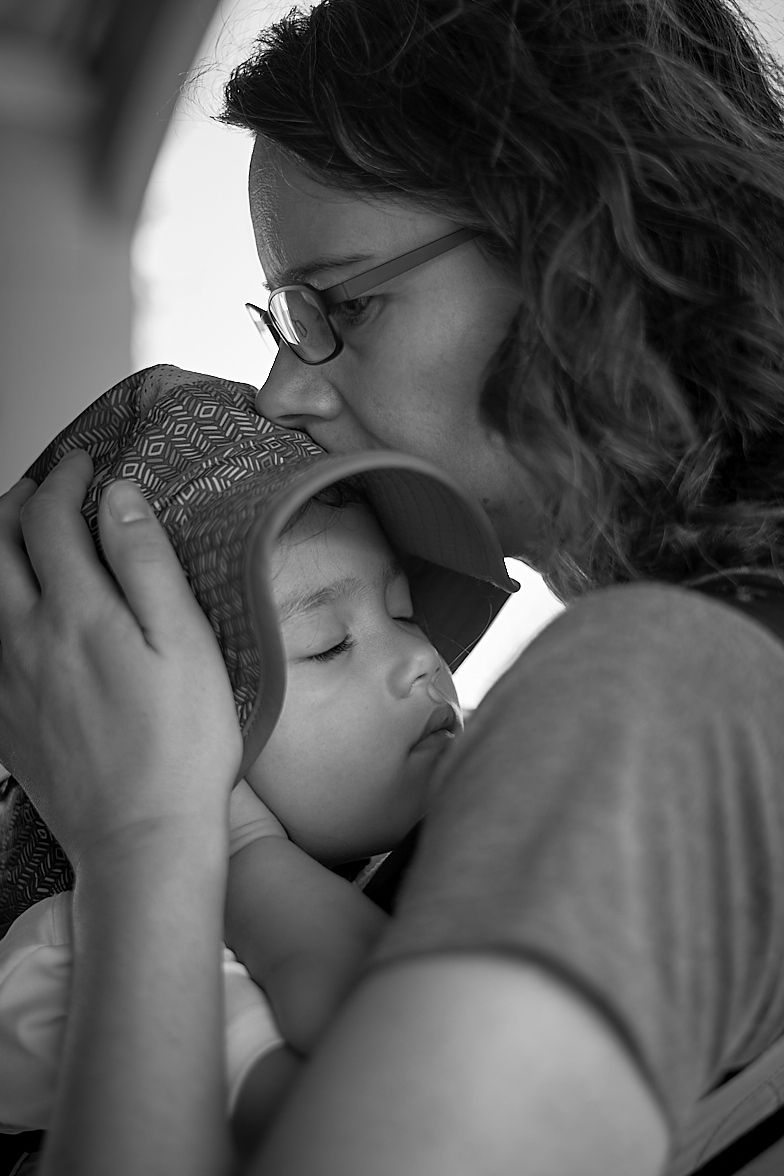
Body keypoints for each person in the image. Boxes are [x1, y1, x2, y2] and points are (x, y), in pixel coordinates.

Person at [2, 0, 784, 1173]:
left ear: (577, 247)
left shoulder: (659, 689)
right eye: (283, 317)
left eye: (342, 305)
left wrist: (145, 837)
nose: (277, 393)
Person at [0, 363, 513, 1171]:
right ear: (152, 736)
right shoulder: (70, 952)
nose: (420, 660)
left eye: (404, 610)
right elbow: (389, 1054)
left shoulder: (486, 799)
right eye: (329, 645)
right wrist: (236, 845)